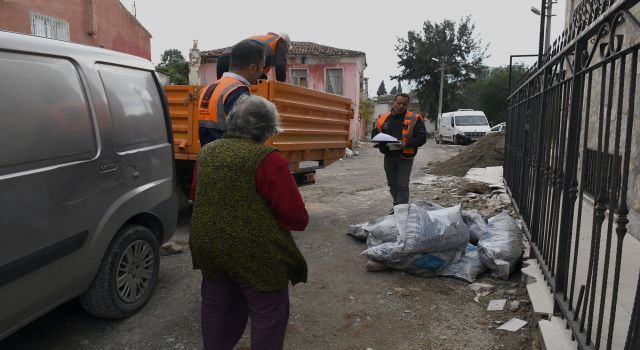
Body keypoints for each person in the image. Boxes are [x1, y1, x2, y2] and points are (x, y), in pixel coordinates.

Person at [190, 94, 309, 350]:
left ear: (231, 121)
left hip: (209, 248)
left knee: (218, 309)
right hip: (255, 256)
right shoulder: (268, 158)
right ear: (267, 128)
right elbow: (296, 218)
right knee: (268, 315)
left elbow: (196, 195)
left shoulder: (207, 153)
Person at [198, 39, 265, 147]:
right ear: (252, 68)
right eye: (262, 67)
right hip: (228, 158)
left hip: (207, 156)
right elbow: (244, 135)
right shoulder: (238, 91)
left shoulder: (209, 88)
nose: (262, 72)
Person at [372, 93, 427, 211]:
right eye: (399, 103)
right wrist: (378, 142)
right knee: (392, 185)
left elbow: (421, 138)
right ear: (394, 103)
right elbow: (375, 133)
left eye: (404, 104)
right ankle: (397, 205)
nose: (401, 106)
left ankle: (401, 211)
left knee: (402, 185)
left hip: (405, 157)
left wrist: (406, 143)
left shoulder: (414, 118)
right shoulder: (383, 117)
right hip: (389, 155)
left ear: (408, 105)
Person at [216, 32, 290, 82]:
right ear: (286, 44)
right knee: (262, 85)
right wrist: (281, 86)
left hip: (222, 60)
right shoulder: (280, 41)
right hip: (239, 60)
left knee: (222, 89)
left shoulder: (264, 39)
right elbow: (280, 65)